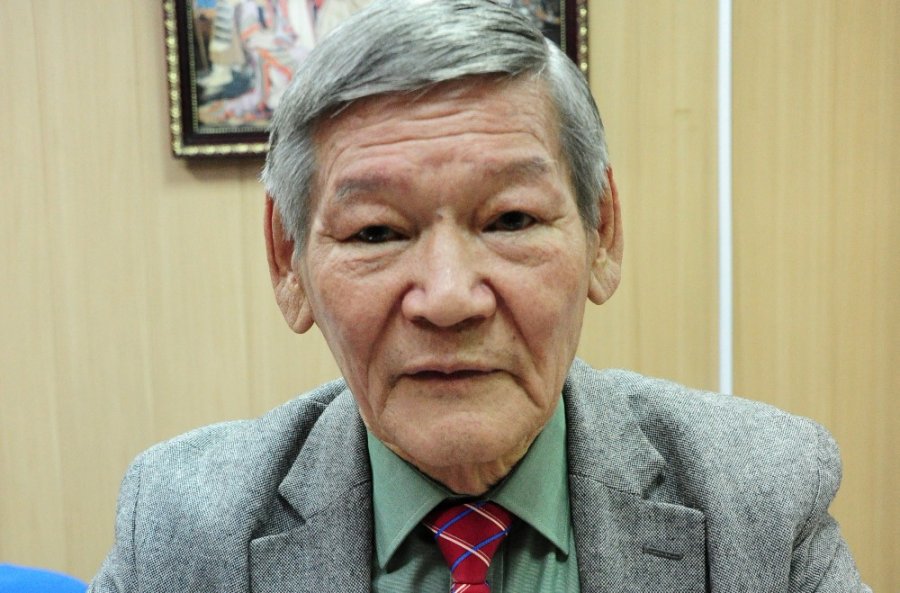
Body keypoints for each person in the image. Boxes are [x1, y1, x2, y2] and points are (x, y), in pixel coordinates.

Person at [89, 0, 870, 591]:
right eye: (376, 232)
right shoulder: (183, 530)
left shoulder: (760, 500)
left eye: (510, 219)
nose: (449, 298)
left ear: (601, 233)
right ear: (289, 261)